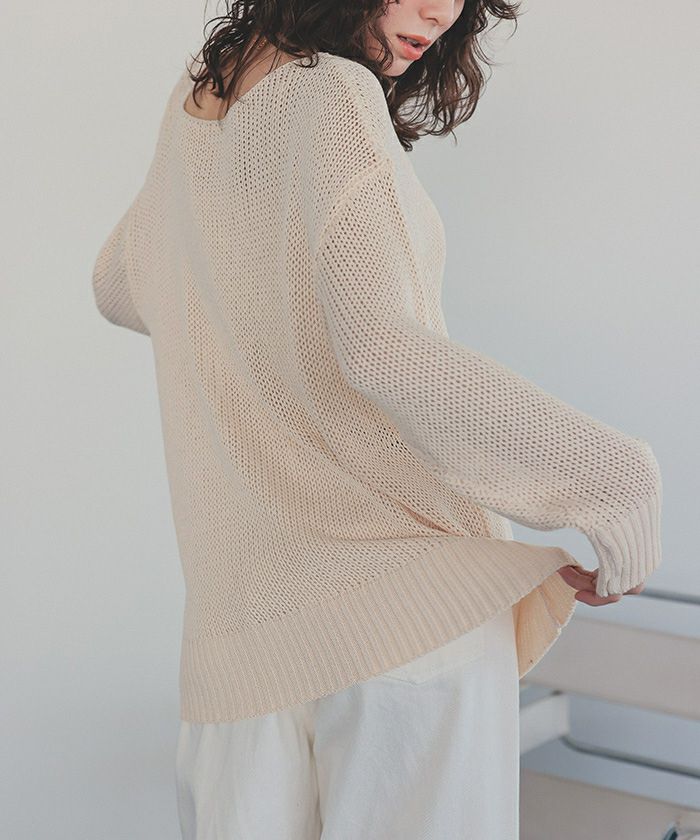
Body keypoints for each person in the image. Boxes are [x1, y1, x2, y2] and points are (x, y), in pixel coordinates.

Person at [91, 0, 662, 837]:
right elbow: (385, 350)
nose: (441, 11)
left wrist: (233, 296)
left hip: (239, 648)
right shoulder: (332, 94)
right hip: (399, 632)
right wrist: (612, 477)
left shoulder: (198, 97)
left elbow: (118, 282)